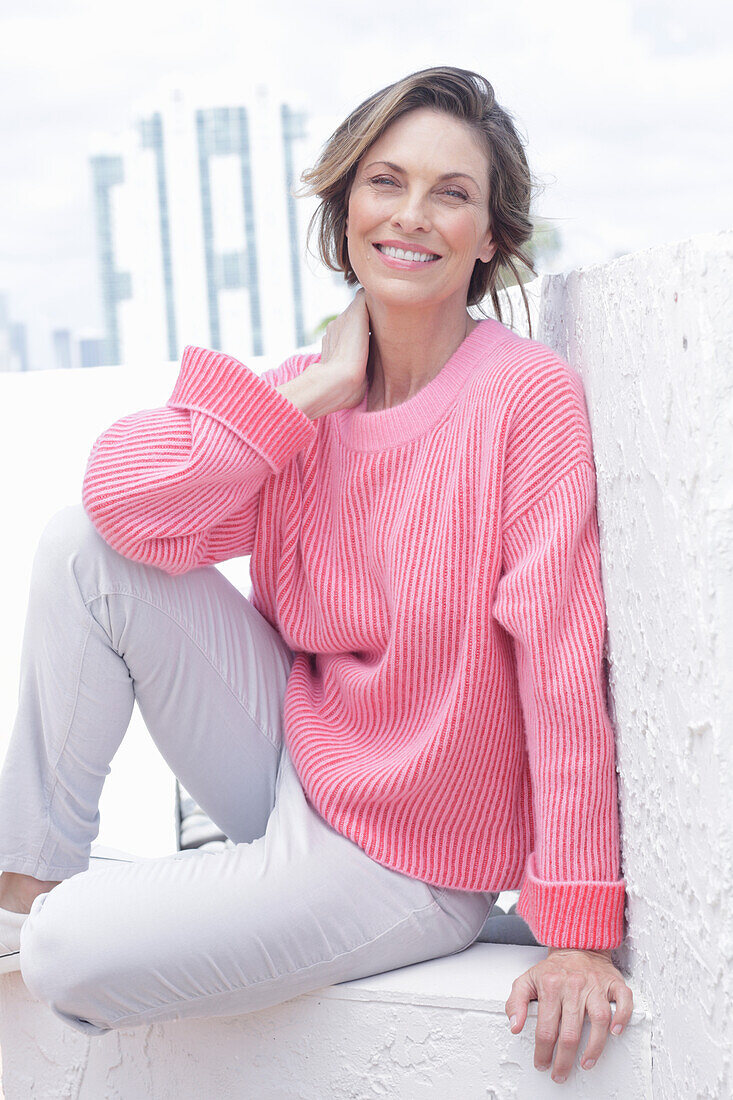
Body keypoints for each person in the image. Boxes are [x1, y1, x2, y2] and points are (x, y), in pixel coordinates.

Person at [0, 65, 632, 1084]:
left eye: (451, 192)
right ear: (344, 207)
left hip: (413, 862)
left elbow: (562, 667)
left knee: (69, 952)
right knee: (81, 549)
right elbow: (122, 502)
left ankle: (63, 921)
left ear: (490, 238)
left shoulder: (527, 399)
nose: (411, 215)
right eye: (385, 181)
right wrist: (325, 387)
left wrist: (577, 924)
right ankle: (24, 880)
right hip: (297, 760)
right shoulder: (312, 391)